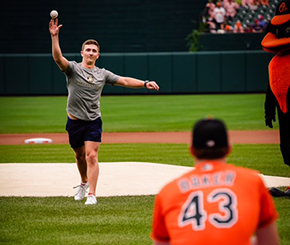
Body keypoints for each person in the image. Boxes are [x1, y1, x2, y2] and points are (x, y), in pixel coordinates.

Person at [49, 18, 159, 205]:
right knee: (79, 155)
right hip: (74, 120)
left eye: (94, 51)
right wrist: (54, 37)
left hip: (93, 120)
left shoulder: (102, 74)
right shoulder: (73, 69)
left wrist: (144, 83)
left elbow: (124, 80)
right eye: (88, 50)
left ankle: (92, 194)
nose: (91, 53)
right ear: (82, 53)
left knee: (92, 155)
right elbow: (58, 58)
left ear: (98, 55)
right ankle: (83, 182)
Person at [151, 118, 279, 245]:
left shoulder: (168, 191)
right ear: (229, 148)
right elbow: (269, 241)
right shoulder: (253, 181)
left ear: (191, 150)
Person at [261, 0, 290, 197]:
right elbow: (272, 85)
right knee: (287, 147)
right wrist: (269, 109)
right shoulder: (275, 62)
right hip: (284, 109)